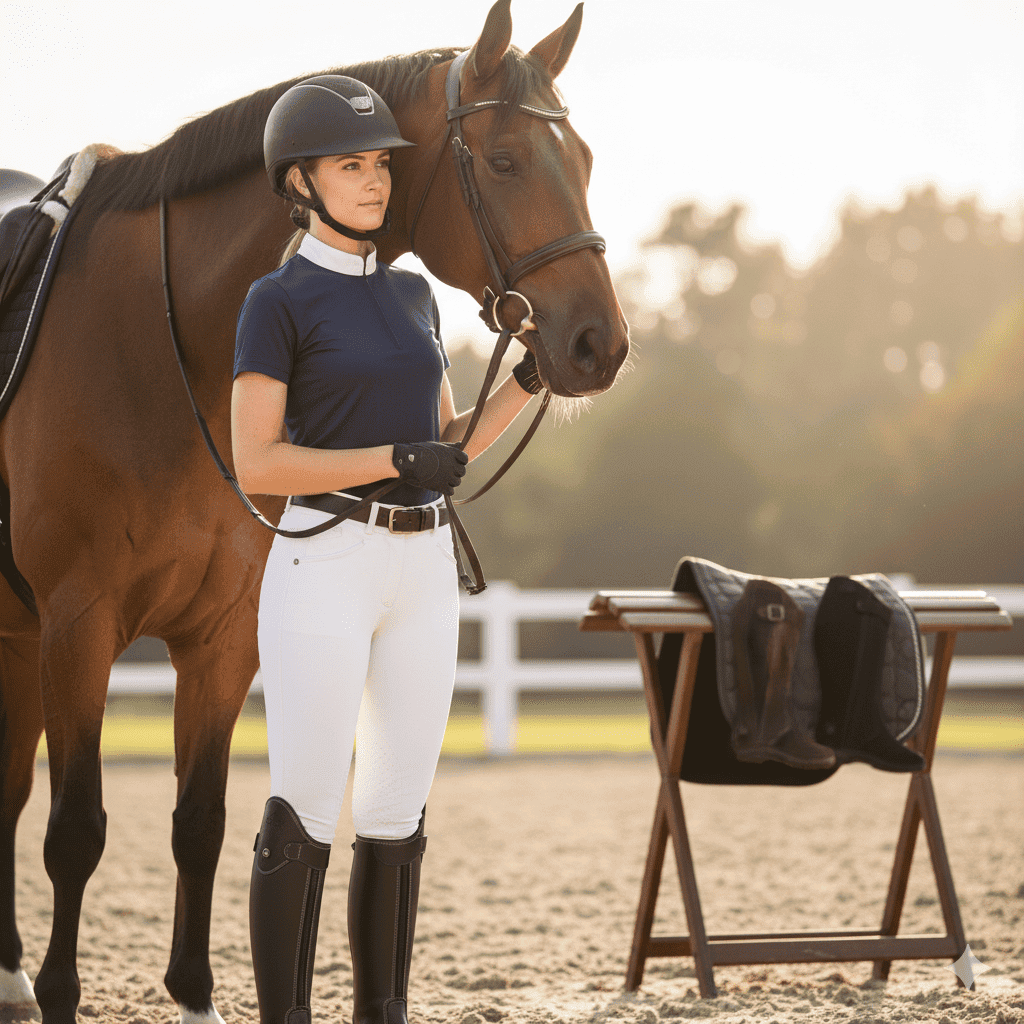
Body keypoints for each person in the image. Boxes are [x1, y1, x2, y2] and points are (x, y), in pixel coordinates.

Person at [231, 75, 544, 1024]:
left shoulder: (414, 296)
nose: (374, 182)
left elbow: (447, 442)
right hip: (323, 559)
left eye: (379, 166)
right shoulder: (274, 301)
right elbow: (258, 462)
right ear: (300, 182)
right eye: (350, 166)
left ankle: (384, 1014)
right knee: (308, 808)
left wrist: (532, 377)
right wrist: (387, 457)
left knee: (398, 810)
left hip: (422, 567)